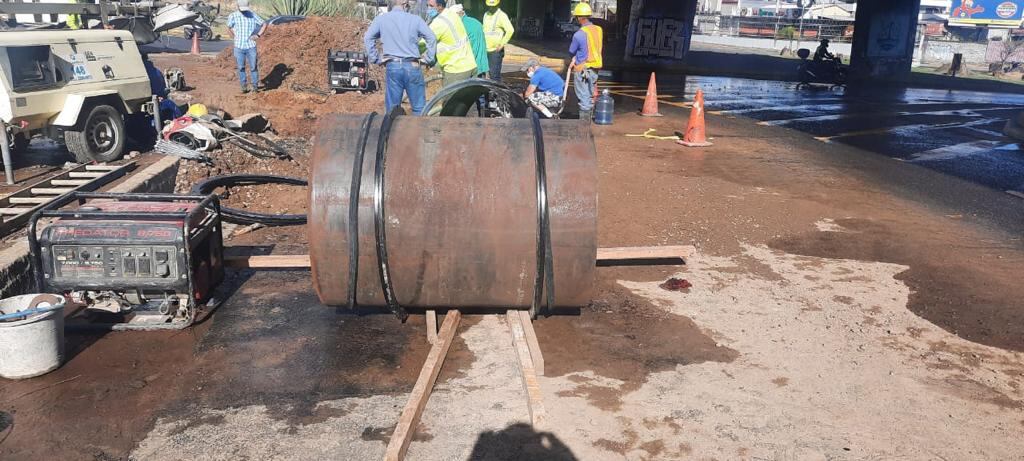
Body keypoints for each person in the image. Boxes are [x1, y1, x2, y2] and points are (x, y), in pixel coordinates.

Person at [364, 0, 437, 115]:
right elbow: (431, 37)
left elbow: (368, 37)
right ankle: (420, 131)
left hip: (393, 66)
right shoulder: (415, 20)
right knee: (419, 108)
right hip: (413, 66)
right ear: (405, 5)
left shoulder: (382, 19)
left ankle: (393, 132)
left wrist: (376, 58)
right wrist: (428, 58)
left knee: (392, 110)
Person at [427, 0, 477, 87]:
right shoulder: (452, 14)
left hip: (455, 70)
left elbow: (423, 43)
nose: (428, 9)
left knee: (449, 99)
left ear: (439, 6)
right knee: (466, 99)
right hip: (470, 65)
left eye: (431, 6)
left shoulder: (438, 23)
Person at [568, 1, 602, 120]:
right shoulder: (598, 30)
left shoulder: (579, 34)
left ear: (579, 18)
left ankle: (584, 124)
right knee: (590, 94)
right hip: (595, 68)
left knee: (583, 96)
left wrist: (575, 56)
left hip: (582, 68)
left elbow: (571, 51)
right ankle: (589, 119)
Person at [226, 0, 267, 93]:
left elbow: (264, 24)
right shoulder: (233, 16)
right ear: (238, 6)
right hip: (239, 47)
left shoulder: (252, 15)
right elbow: (228, 27)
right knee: (241, 67)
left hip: (251, 46)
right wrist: (234, 38)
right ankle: (243, 86)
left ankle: (255, 87)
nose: (244, 11)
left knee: (253, 67)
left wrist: (258, 35)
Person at [482, 0, 514, 82]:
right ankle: (489, 93)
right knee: (485, 74)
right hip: (486, 49)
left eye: (493, 6)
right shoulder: (486, 14)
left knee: (494, 76)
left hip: (495, 51)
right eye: (490, 6)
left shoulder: (502, 16)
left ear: (498, 4)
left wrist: (501, 44)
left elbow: (510, 30)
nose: (491, 7)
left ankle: (497, 94)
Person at [456, 5, 488, 79]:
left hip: (471, 67)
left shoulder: (462, 25)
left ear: (458, 14)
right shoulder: (476, 22)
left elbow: (468, 48)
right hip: (482, 65)